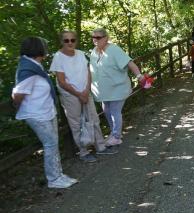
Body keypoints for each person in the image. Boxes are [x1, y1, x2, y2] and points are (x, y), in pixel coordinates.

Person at [12, 37, 78, 188]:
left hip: (45, 111)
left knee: (53, 143)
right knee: (50, 144)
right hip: (36, 114)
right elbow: (18, 94)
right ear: (38, 50)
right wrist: (17, 102)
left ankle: (58, 175)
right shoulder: (27, 69)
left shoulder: (33, 65)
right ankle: (54, 179)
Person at [50, 30, 116, 163]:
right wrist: (79, 94)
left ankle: (100, 147)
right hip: (70, 95)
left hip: (86, 92)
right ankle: (84, 152)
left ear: (76, 41)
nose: (70, 43)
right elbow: (62, 82)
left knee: (94, 119)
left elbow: (88, 73)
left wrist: (86, 90)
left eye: (72, 40)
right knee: (76, 123)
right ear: (61, 42)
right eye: (66, 40)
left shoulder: (80, 54)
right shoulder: (58, 57)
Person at [89, 28, 145, 147]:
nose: (95, 40)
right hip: (104, 91)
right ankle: (113, 133)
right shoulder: (94, 51)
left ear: (106, 38)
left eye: (98, 37)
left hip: (117, 88)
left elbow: (130, 63)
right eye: (93, 37)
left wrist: (139, 76)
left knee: (114, 111)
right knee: (106, 110)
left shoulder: (114, 50)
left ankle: (116, 137)